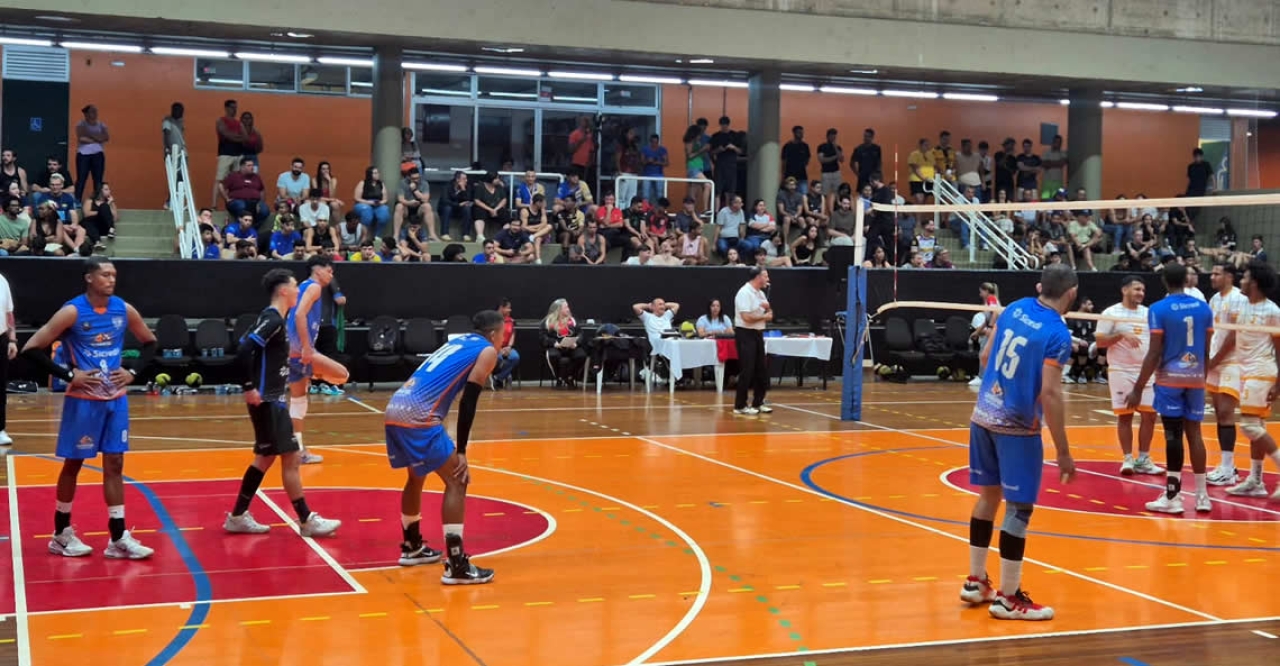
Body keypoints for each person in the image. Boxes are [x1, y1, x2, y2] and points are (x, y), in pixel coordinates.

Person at [961, 263, 1077, 621]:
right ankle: (1009, 599)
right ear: (1071, 293)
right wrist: (1063, 451)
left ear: (1041, 286)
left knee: (988, 499)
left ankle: (976, 582)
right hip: (1017, 428)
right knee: (1019, 510)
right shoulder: (1058, 333)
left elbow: (985, 357)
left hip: (983, 416)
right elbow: (1051, 394)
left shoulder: (1014, 308)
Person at [20, 257, 157, 559]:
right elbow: (31, 348)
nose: (111, 279)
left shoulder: (123, 309)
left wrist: (133, 372)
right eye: (105, 274)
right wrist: (71, 375)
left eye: (114, 274)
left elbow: (150, 342)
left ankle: (118, 537)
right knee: (74, 464)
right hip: (83, 402)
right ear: (89, 278)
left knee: (115, 464)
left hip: (115, 400)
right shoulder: (72, 311)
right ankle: (61, 534)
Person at [384, 310, 503, 585]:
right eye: (503, 335)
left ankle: (412, 546)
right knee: (457, 480)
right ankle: (457, 564)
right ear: (493, 334)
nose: (504, 340)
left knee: (416, 477)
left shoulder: (458, 342)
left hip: (395, 406)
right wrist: (461, 451)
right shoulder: (487, 351)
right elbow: (468, 401)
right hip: (418, 415)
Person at [223, 269, 341, 537]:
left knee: (265, 459)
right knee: (291, 457)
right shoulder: (273, 319)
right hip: (268, 400)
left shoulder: (273, 319)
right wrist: (249, 386)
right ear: (284, 291)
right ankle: (307, 520)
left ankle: (238, 516)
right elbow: (244, 349)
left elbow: (246, 343)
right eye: (295, 286)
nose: (298, 290)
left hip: (271, 399)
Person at [1126, 262, 1215, 514]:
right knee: (1195, 434)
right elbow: (1206, 349)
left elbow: (1154, 352)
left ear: (1164, 281)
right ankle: (1202, 496)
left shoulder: (1158, 308)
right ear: (1186, 280)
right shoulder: (1204, 308)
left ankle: (1173, 497)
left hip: (1170, 379)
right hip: (1196, 377)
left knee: (1173, 436)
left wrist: (1138, 387)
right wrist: (1202, 379)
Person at [1094, 275, 1163, 476]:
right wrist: (1120, 334)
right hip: (1120, 370)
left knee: (1150, 415)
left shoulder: (1149, 313)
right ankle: (1127, 459)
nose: (1141, 293)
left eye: (1143, 290)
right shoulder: (1111, 313)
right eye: (1137, 289)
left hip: (1145, 371)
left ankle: (1144, 458)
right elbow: (1100, 342)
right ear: (1124, 290)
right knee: (1125, 415)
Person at [287, 254, 351, 464]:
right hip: (301, 351)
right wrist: (307, 347)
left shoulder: (301, 287)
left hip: (291, 352)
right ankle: (315, 375)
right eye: (329, 271)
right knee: (342, 376)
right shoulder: (314, 287)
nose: (331, 276)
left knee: (298, 402)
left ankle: (298, 450)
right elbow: (299, 315)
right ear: (317, 270)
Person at [1225, 261, 1280, 499]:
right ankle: (1256, 481)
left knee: (1249, 426)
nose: (1241, 281)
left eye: (1245, 277)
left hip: (1261, 371)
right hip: (1245, 372)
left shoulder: (1272, 311)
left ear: (1254, 283)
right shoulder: (1241, 305)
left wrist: (1279, 383)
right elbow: (1231, 337)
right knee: (1257, 426)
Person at [1205, 261, 1249, 487]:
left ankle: (1228, 469)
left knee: (1225, 412)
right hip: (1215, 361)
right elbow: (1211, 331)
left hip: (1232, 362)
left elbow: (1233, 337)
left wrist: (1214, 360)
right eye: (1212, 273)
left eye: (1217, 273)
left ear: (1229, 276)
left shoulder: (1239, 298)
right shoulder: (1215, 299)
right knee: (1220, 414)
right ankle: (1226, 466)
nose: (1212, 277)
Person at [732, 268, 773, 416]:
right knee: (747, 369)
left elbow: (769, 313)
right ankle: (740, 405)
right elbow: (746, 318)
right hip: (745, 333)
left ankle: (758, 402)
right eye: (765, 276)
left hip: (758, 333)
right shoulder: (744, 293)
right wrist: (764, 317)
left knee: (761, 369)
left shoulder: (761, 294)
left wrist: (767, 311)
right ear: (758, 277)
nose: (768, 279)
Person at [0, 269, 14, 447]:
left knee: (0, 386)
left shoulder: (2, 279)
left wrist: (12, 339)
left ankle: (0, 430)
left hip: (1, 338)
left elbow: (9, 312)